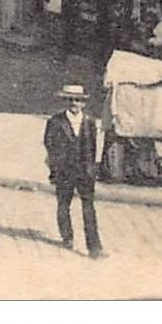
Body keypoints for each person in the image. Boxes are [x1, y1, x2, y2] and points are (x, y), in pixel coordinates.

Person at [44, 85, 106, 258]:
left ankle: (94, 247)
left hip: (84, 172)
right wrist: (55, 168)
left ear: (84, 103)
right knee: (64, 205)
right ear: (65, 101)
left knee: (89, 208)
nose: (74, 103)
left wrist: (92, 169)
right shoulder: (56, 122)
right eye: (70, 99)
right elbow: (50, 146)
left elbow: (92, 147)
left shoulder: (89, 122)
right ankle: (67, 235)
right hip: (64, 171)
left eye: (78, 100)